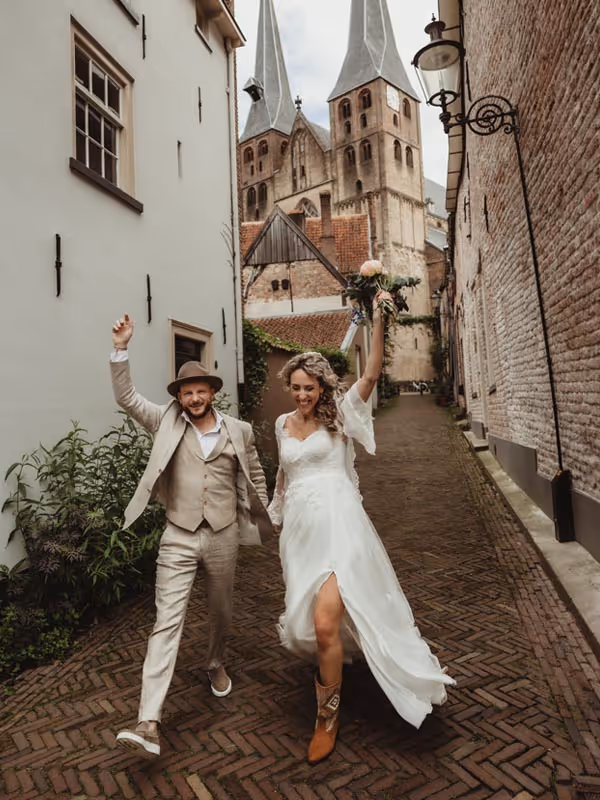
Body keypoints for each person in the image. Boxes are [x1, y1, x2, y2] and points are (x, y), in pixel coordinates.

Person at [268, 292, 454, 765]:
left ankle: (326, 719)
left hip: (341, 525)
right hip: (301, 533)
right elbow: (284, 475)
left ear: (323, 388)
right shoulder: (280, 424)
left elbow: (371, 373)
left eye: (310, 387)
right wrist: (274, 514)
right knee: (315, 617)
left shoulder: (340, 417)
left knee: (326, 620)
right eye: (297, 388)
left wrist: (377, 318)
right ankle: (339, 669)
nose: (304, 395)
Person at [110, 314, 271, 759]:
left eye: (201, 391)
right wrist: (121, 349)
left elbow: (255, 473)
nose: (194, 398)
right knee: (166, 623)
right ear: (178, 397)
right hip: (177, 535)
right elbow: (126, 397)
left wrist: (267, 511)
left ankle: (215, 662)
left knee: (220, 610)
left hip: (222, 535)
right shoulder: (165, 421)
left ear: (212, 393)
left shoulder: (238, 430)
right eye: (186, 392)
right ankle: (149, 720)